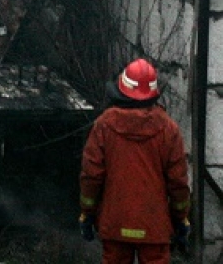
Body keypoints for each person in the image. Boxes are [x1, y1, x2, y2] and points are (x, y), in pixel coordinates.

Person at [79, 58, 191, 263]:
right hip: (154, 227)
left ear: (122, 89)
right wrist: (180, 217)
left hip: (115, 223)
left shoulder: (104, 125)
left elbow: (91, 176)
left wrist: (88, 212)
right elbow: (178, 182)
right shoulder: (169, 129)